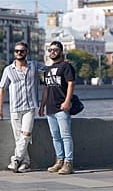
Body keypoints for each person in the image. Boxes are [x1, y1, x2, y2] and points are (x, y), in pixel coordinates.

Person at [0, 41, 46, 173]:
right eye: (16, 51)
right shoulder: (8, 70)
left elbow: (50, 69)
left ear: (26, 52)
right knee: (20, 138)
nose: (19, 53)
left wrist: (63, 63)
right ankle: (25, 163)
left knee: (26, 134)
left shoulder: (34, 65)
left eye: (22, 51)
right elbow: (2, 89)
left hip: (30, 107)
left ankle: (15, 159)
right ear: (14, 53)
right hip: (15, 108)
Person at [39, 41, 76, 175]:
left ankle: (68, 163)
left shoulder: (66, 66)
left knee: (66, 136)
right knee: (55, 136)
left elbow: (71, 84)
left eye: (55, 50)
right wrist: (42, 105)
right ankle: (59, 160)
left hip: (62, 107)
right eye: (50, 50)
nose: (52, 52)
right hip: (50, 108)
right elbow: (46, 89)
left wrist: (67, 102)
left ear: (61, 51)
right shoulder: (47, 69)